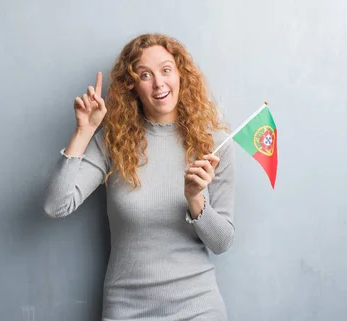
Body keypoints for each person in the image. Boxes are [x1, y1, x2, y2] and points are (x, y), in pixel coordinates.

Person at [42, 33, 235, 321]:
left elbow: (222, 242)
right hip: (128, 311)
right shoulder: (114, 142)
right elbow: (56, 205)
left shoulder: (214, 143)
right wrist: (83, 132)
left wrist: (195, 199)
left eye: (166, 70)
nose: (159, 83)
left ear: (181, 74)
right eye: (146, 75)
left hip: (198, 309)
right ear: (132, 85)